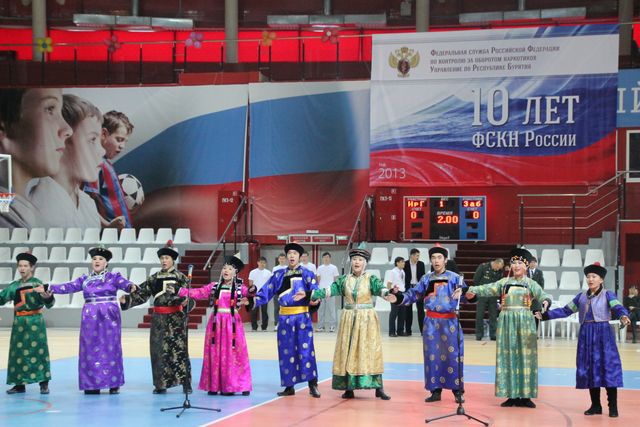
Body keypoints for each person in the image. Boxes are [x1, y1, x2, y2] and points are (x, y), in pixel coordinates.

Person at [36, 246, 135, 394]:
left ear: (106, 263)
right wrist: (48, 287)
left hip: (109, 316)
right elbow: (69, 286)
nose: (97, 261)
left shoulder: (114, 277)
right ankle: (91, 384)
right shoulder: (85, 279)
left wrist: (131, 286)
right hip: (90, 317)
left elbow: (125, 284)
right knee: (89, 348)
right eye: (94, 259)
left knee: (111, 346)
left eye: (100, 259)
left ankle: (113, 383)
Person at [539, 263, 630, 418]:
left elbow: (618, 307)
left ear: (601, 279)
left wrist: (623, 315)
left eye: (594, 276)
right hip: (586, 334)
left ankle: (613, 407)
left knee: (608, 368)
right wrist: (545, 315)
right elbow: (566, 310)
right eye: (588, 277)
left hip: (604, 334)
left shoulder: (608, 295)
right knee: (590, 369)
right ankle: (595, 406)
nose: (590, 279)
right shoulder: (580, 297)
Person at [299, 248, 391, 400]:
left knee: (370, 351)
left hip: (367, 320)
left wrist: (389, 293)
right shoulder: (344, 280)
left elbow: (381, 290)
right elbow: (329, 290)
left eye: (360, 260)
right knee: (347, 351)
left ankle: (378, 387)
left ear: (365, 263)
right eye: (354, 259)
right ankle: (349, 388)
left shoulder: (371, 279)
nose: (357, 262)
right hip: (348, 319)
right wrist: (310, 294)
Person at [465, 248, 551, 408]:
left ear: (526, 266)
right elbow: (487, 288)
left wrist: (546, 302)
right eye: (514, 263)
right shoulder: (504, 282)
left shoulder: (531, 284)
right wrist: (471, 291)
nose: (516, 266)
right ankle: (511, 395)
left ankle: (525, 396)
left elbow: (543, 295)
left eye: (520, 263)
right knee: (508, 357)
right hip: (506, 323)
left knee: (526, 357)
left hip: (526, 323)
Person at [389, 246, 466, 404]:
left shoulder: (455, 278)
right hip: (431, 323)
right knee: (432, 356)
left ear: (445, 260)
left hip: (450, 322)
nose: (436, 261)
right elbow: (413, 294)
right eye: (433, 258)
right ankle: (435, 390)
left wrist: (464, 293)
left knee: (453, 356)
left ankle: (457, 391)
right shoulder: (426, 279)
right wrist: (398, 296)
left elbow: (466, 297)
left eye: (439, 257)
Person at [249, 243, 320, 398]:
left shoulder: (307, 274)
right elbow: (266, 292)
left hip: (302, 317)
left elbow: (316, 292)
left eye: (295, 253)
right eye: (289, 253)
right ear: (286, 256)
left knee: (306, 351)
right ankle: (289, 386)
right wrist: (251, 300)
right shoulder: (278, 275)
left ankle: (312, 384)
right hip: (284, 319)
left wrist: (314, 298)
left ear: (300, 256)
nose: (292, 256)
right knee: (286, 351)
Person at [120, 241, 192, 394]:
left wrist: (187, 302)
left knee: (179, 350)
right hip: (159, 319)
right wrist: (127, 300)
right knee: (158, 351)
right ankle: (160, 384)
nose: (164, 261)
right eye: (162, 258)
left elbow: (190, 297)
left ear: (173, 260)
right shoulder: (154, 278)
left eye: (167, 258)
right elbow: (142, 294)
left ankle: (185, 383)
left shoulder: (181, 278)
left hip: (176, 318)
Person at [176, 255, 252, 396]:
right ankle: (214, 385)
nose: (226, 271)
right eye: (224, 268)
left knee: (233, 353)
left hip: (232, 324)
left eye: (230, 269)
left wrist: (251, 296)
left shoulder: (240, 288)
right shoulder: (214, 286)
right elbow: (198, 292)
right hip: (216, 323)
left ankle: (233, 385)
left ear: (235, 272)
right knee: (215, 352)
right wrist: (180, 291)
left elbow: (253, 295)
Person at [0, 88, 73, 228]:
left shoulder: (18, 206)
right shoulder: (7, 219)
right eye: (50, 109)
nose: (68, 129)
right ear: (2, 128)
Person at [31, 94, 104, 228]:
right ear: (62, 139)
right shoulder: (37, 206)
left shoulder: (88, 204)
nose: (102, 151)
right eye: (92, 140)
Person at [0, 252, 54, 394]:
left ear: (32, 267)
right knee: (17, 352)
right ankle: (19, 384)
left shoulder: (38, 284)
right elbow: (1, 298)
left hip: (35, 322)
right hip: (19, 323)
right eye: (20, 266)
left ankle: (44, 383)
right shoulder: (14, 286)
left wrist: (47, 297)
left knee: (39, 351)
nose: (22, 268)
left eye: (25, 266)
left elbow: (49, 303)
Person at [84, 110, 134, 229]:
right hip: (110, 235)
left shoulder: (106, 164)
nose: (122, 146)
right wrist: (108, 226)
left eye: (125, 141)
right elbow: (86, 204)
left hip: (123, 234)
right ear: (104, 134)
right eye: (119, 139)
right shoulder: (95, 164)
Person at [472, 258, 504, 341]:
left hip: (493, 296)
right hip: (482, 295)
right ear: (495, 263)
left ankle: (493, 334)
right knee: (480, 315)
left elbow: (499, 283)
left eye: (499, 268)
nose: (498, 269)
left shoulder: (499, 271)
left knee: (493, 315)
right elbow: (476, 280)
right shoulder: (483, 267)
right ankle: (479, 334)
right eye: (497, 267)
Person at [403, 248, 426, 335]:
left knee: (420, 310)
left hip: (418, 289)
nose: (418, 257)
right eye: (417, 256)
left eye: (418, 256)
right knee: (408, 310)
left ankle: (423, 331)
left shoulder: (421, 264)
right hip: (409, 288)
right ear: (411, 256)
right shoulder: (405, 264)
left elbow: (423, 277)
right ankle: (408, 331)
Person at [316, 252, 339, 332]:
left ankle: (332, 326)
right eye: (324, 257)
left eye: (327, 257)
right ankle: (320, 326)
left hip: (330, 291)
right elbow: (318, 279)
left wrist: (333, 289)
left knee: (331, 310)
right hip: (321, 291)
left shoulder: (334, 267)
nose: (326, 259)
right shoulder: (319, 268)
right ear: (322, 258)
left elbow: (336, 279)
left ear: (330, 258)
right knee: (321, 310)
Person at [248, 256, 271, 331]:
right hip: (255, 294)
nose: (262, 264)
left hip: (264, 294)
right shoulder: (253, 272)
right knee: (254, 311)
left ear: (265, 264)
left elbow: (270, 284)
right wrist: (252, 292)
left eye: (264, 263)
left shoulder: (268, 272)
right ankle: (254, 327)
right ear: (258, 263)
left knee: (264, 311)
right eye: (261, 262)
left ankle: (264, 327)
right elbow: (250, 283)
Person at [387, 256, 405, 337]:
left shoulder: (402, 271)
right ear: (397, 263)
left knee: (402, 313)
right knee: (394, 313)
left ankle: (400, 331)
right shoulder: (393, 272)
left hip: (402, 293)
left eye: (404, 262)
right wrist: (390, 294)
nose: (404, 263)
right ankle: (392, 332)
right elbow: (389, 284)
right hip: (395, 293)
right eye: (402, 262)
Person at [270, 253, 287, 331]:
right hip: (277, 291)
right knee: (276, 308)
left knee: (285, 308)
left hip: (286, 292)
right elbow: (273, 280)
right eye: (280, 258)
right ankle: (277, 324)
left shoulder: (288, 268)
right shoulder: (275, 268)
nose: (282, 260)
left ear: (285, 259)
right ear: (278, 259)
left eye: (283, 258)